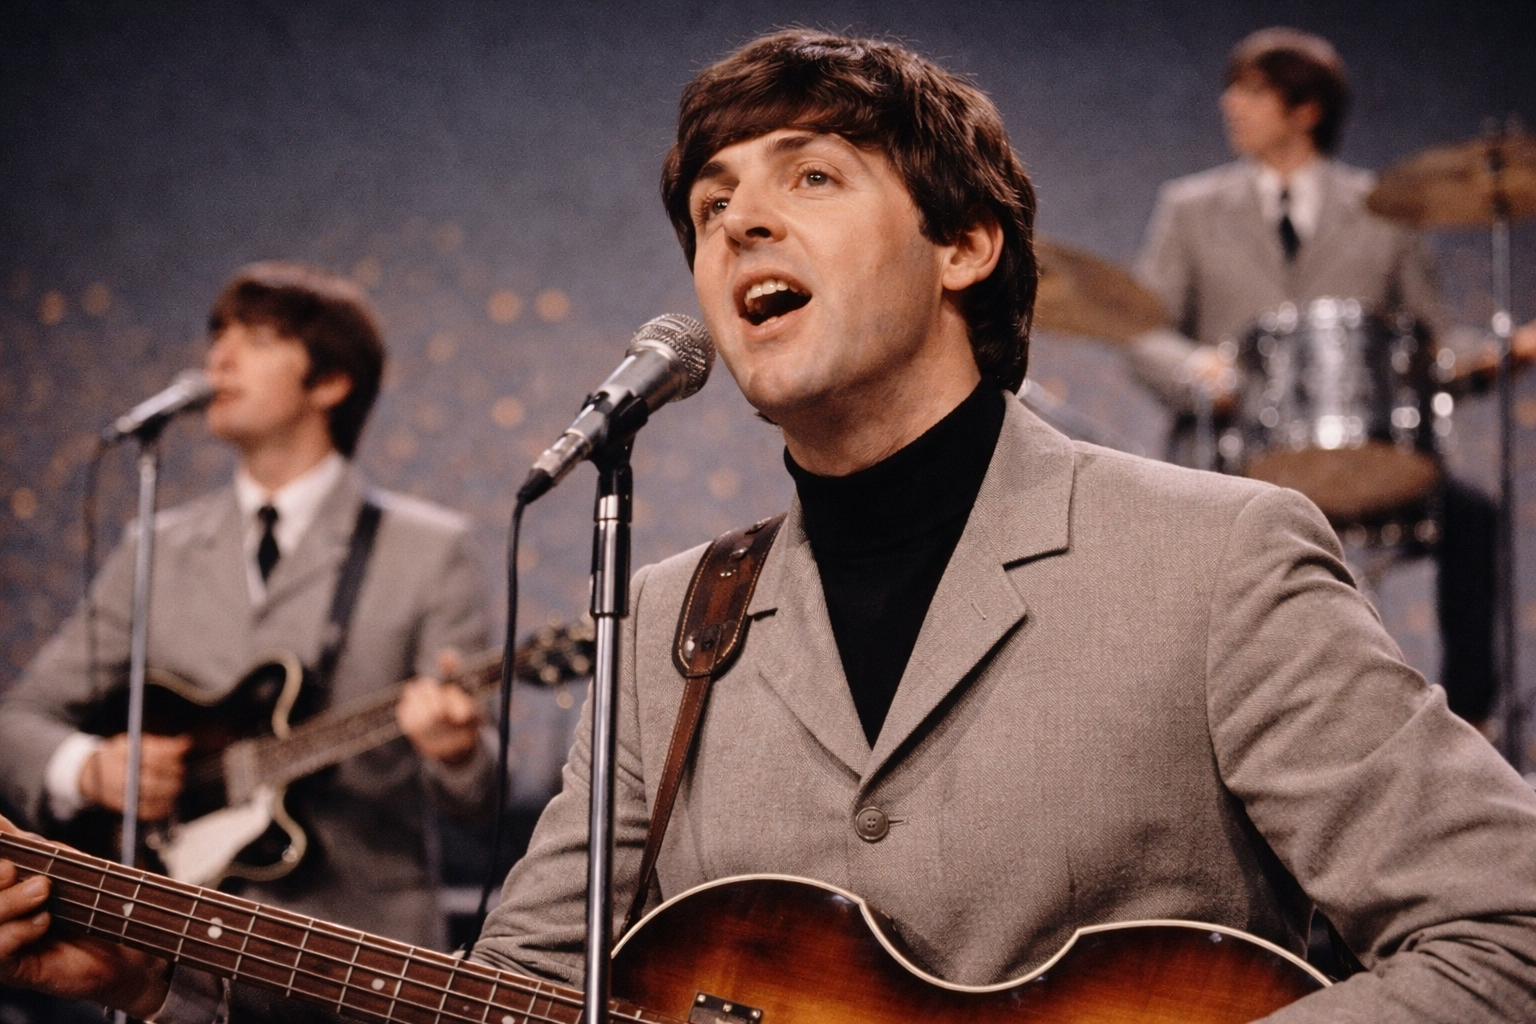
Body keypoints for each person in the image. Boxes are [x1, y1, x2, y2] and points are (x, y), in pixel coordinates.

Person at [5, 29, 1536, 1024]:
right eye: (714, 199)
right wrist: (167, 983)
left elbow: (1503, 934)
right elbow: (507, 999)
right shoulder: (672, 620)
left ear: (967, 245)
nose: (739, 220)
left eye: (811, 177)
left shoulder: (1222, 557)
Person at [0, 261, 495, 952]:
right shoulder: (155, 546)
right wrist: (88, 768)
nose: (220, 359)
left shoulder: (429, 550)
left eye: (258, 340)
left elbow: (483, 798)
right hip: (171, 956)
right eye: (219, 337)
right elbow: (18, 720)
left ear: (330, 382)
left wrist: (458, 751)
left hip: (359, 957)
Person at [1126, 27, 1536, 726]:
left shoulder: (1385, 208)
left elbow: (1431, 344)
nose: (1231, 103)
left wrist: (1508, 350)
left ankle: (1468, 726)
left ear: (1305, 108)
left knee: (1473, 521)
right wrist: (1195, 367)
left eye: (1252, 90)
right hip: (1233, 455)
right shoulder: (1189, 207)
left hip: (1364, 459)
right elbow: (1138, 326)